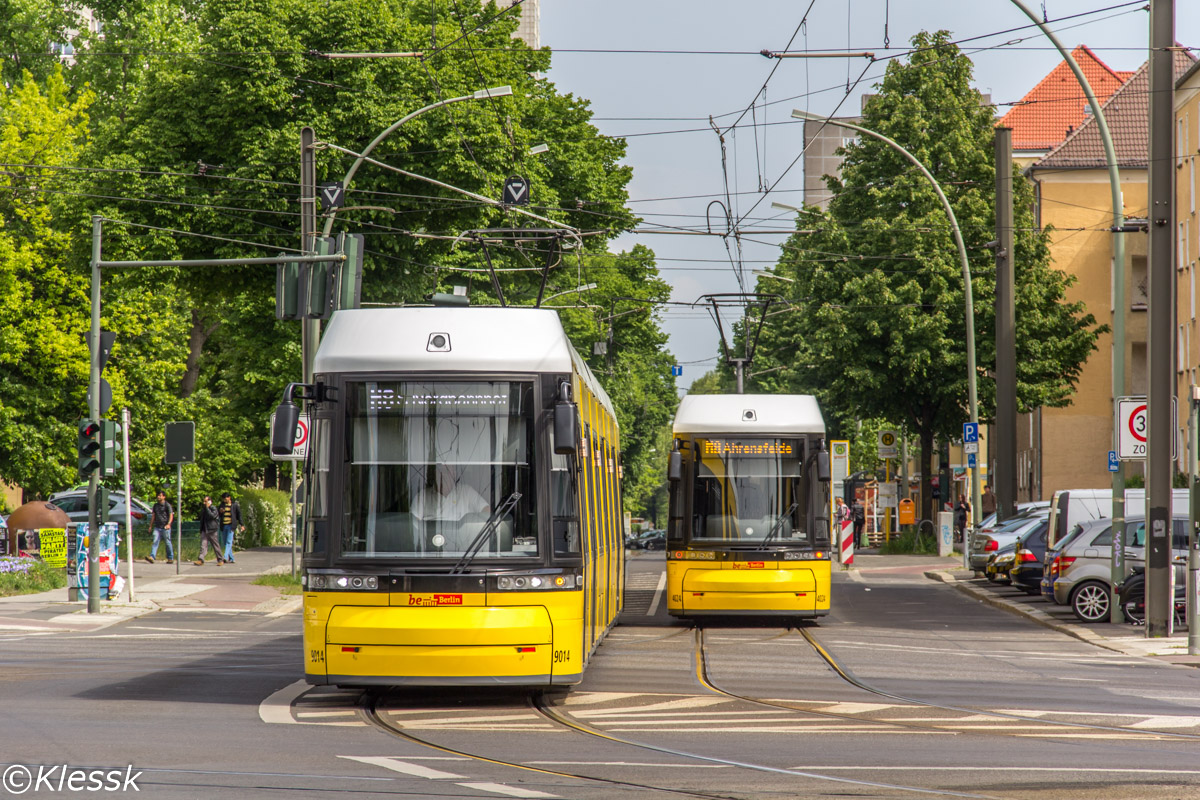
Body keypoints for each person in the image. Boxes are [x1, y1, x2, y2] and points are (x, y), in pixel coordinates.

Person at [146, 489, 174, 564]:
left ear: (164, 497)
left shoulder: (167, 505)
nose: (159, 497)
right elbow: (153, 516)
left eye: (160, 495)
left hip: (165, 527)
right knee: (155, 541)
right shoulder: (155, 505)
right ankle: (152, 556)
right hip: (157, 527)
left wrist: (168, 524)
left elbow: (171, 515)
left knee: (168, 542)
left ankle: (170, 557)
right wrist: (150, 526)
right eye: (158, 495)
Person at [194, 495, 223, 566]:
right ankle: (201, 559)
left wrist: (207, 508)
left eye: (205, 501)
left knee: (215, 545)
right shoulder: (204, 509)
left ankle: (220, 559)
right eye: (204, 501)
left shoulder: (213, 508)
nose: (204, 503)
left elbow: (212, 516)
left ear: (209, 501)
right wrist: (201, 529)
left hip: (212, 530)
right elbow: (202, 519)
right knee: (203, 545)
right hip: (205, 529)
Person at [217, 492, 244, 564]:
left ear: (229, 498)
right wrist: (220, 511)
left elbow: (239, 515)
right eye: (223, 499)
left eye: (225, 499)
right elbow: (217, 514)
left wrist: (242, 524)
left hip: (231, 526)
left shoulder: (234, 505)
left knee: (229, 542)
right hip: (223, 525)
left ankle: (225, 557)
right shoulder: (222, 505)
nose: (224, 500)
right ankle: (231, 558)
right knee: (225, 543)